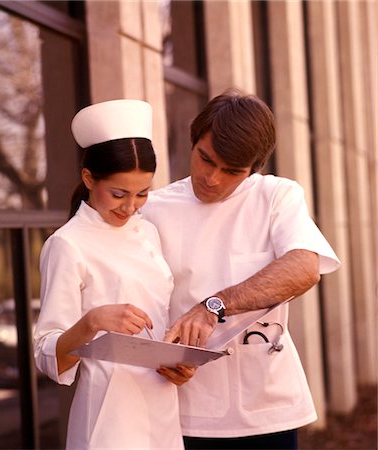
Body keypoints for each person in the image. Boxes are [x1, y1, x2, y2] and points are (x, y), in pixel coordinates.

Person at [142, 89, 341, 450]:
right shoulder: (154, 210)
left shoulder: (277, 196)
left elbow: (304, 267)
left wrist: (213, 305)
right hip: (186, 411)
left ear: (253, 170)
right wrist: (163, 356)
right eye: (206, 159)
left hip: (268, 410)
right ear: (193, 141)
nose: (213, 178)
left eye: (231, 171)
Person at [33, 99, 193, 450]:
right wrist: (92, 321)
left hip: (162, 408)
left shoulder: (147, 232)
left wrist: (177, 361)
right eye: (118, 193)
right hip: (109, 418)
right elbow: (46, 354)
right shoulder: (67, 245)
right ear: (88, 178)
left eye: (142, 194)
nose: (130, 206)